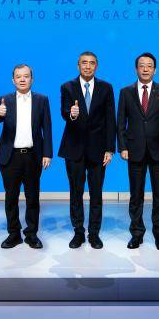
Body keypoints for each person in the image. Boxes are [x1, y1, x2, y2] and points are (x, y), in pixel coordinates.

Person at [117, 52, 159, 251]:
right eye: (142, 65)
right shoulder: (126, 92)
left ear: (155, 70)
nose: (145, 69)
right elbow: (120, 122)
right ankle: (136, 234)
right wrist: (123, 147)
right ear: (136, 69)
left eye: (149, 66)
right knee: (136, 196)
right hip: (134, 150)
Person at [57, 51, 116, 249]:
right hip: (74, 148)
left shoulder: (106, 88)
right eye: (84, 63)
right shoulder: (67, 87)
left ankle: (94, 233)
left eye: (91, 63)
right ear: (78, 66)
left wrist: (110, 149)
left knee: (96, 193)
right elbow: (64, 112)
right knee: (76, 192)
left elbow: (110, 119)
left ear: (96, 66)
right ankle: (78, 232)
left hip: (99, 150)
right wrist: (71, 114)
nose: (88, 66)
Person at [0, 64, 53, 249]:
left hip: (33, 156)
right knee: (11, 197)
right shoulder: (5, 99)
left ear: (32, 79)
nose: (22, 79)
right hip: (10, 157)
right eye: (18, 76)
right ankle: (13, 234)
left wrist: (47, 153)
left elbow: (47, 128)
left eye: (26, 76)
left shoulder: (42, 99)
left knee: (32, 197)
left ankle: (31, 234)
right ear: (13, 80)